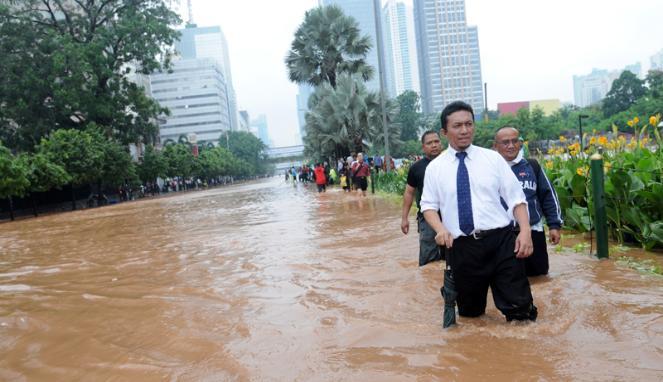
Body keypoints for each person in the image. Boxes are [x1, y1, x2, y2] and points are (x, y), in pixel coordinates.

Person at [421, 101, 538, 322]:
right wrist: (440, 228)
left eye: (468, 124)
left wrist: (525, 232)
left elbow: (517, 199)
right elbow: (428, 206)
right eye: (457, 126)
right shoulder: (435, 168)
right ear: (445, 132)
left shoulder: (493, 159)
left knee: (520, 311)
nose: (464, 130)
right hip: (462, 248)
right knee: (471, 316)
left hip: (502, 242)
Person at [494, 126, 563, 276]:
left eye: (515, 141)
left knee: (539, 277)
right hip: (502, 235)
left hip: (533, 231)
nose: (511, 146)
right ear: (495, 146)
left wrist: (554, 225)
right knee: (507, 278)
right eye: (505, 142)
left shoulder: (532, 166)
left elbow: (548, 196)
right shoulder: (490, 170)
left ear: (520, 143)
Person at [401, 130, 445, 266]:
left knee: (452, 254)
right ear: (423, 147)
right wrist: (404, 218)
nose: (434, 145)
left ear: (441, 144)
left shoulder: (451, 162)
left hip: (450, 214)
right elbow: (409, 192)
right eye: (429, 143)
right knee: (428, 257)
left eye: (436, 142)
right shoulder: (416, 168)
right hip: (427, 217)